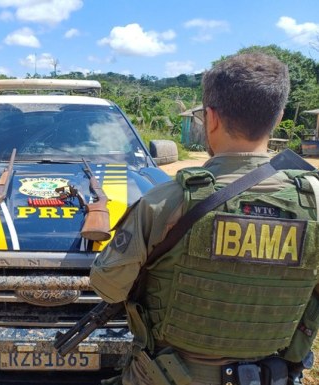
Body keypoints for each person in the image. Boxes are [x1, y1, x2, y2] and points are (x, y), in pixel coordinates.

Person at [90, 52, 318, 385]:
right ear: (279, 116)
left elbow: (108, 287)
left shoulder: (164, 203)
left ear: (209, 119)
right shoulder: (312, 201)